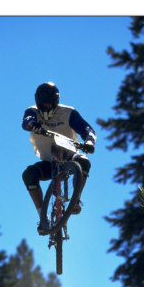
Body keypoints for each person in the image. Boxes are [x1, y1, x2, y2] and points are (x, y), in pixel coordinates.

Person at [22, 82, 97, 234]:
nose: (46, 108)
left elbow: (87, 130)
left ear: (56, 102)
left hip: (69, 157)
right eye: (43, 105)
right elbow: (26, 122)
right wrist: (32, 124)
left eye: (50, 104)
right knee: (29, 174)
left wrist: (89, 142)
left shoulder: (68, 112)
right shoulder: (32, 111)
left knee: (84, 161)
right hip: (47, 162)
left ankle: (76, 199)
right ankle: (42, 219)